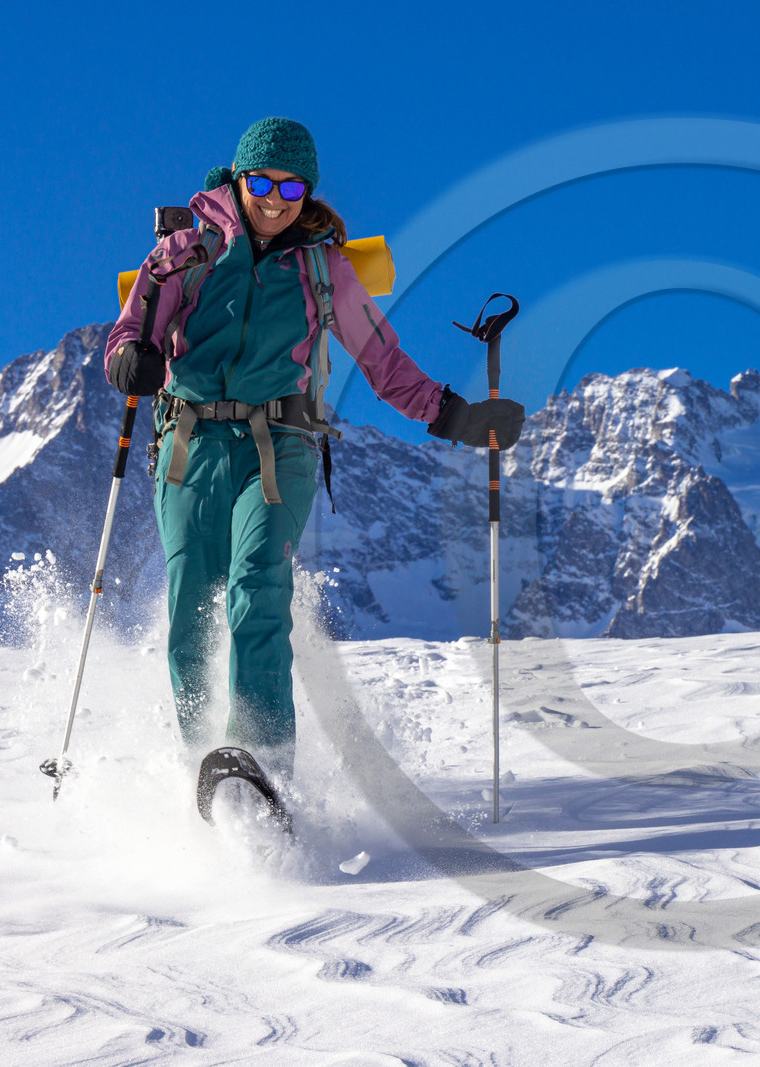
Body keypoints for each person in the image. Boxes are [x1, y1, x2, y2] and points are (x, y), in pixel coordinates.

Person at [107, 116, 523, 777]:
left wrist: (454, 416)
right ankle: (200, 772)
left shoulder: (324, 270)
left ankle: (265, 767)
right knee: (190, 604)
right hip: (189, 445)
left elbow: (383, 361)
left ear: (308, 193)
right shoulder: (185, 252)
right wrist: (130, 359)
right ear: (240, 179)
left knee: (257, 588)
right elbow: (130, 332)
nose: (275, 198)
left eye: (292, 186)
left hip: (281, 446)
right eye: (263, 182)